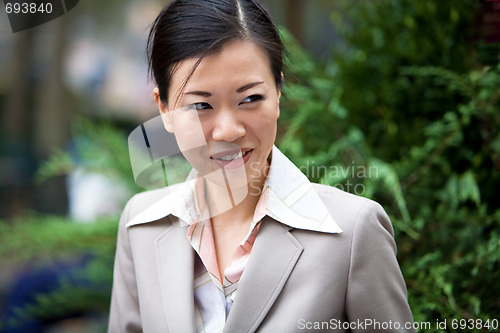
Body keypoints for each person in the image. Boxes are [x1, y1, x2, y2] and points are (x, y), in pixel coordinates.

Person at [108, 0, 415, 332]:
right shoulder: (140, 225)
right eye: (201, 105)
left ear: (278, 93)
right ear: (164, 109)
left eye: (250, 98)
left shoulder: (353, 233)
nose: (228, 130)